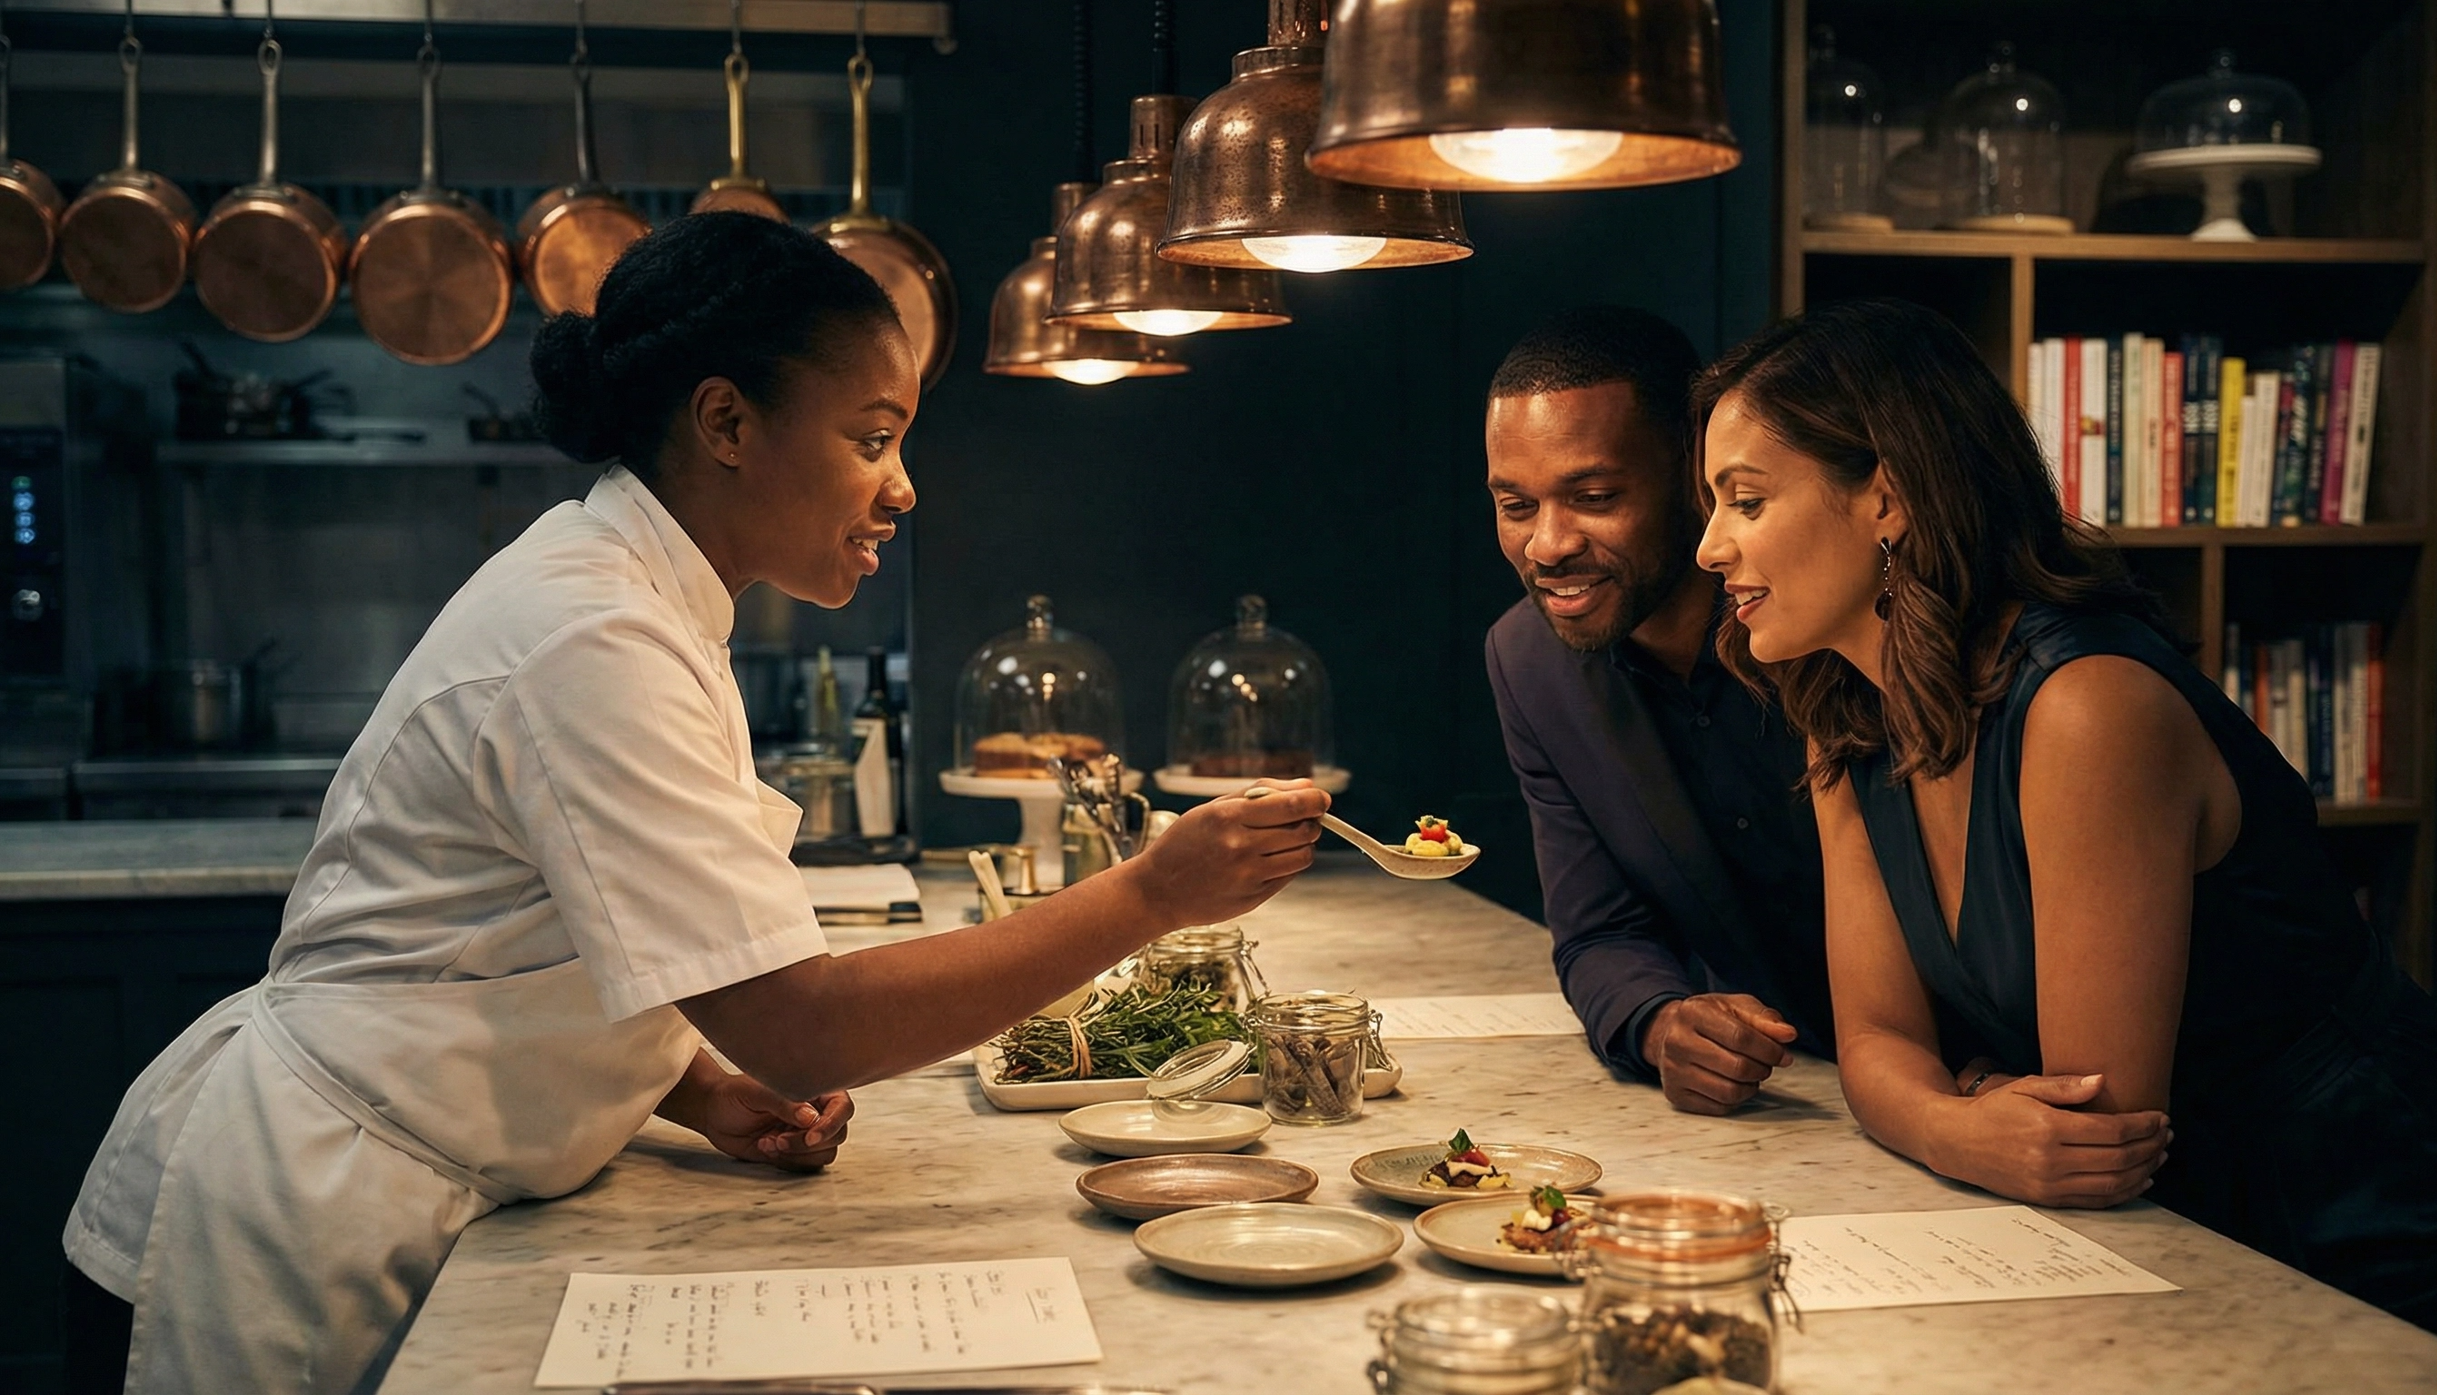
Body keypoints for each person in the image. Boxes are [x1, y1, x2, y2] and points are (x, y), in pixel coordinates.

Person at [58, 213, 1330, 1395]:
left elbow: (535, 941)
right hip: (305, 1211)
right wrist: (1150, 894)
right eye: (871, 437)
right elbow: (800, 1025)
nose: (904, 489)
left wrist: (692, 1088)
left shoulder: (645, 599)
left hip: (412, 1180)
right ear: (725, 422)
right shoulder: (592, 630)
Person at [1693, 296, 2437, 1357]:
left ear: (1884, 499)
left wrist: (1967, 1094)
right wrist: (1959, 1116)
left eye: (1745, 500)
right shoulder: (1845, 716)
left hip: (2382, 1232)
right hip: (2184, 1248)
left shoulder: (2083, 708)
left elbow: (2090, 1130)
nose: (1708, 547)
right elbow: (1878, 1045)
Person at [1482, 306, 1831, 1115]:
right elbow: (1600, 929)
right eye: (1516, 504)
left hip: (2002, 1088)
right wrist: (1658, 1021)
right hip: (1802, 1104)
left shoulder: (1821, 616)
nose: (1548, 544)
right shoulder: (1528, 659)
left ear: (1691, 469)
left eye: (1594, 495)